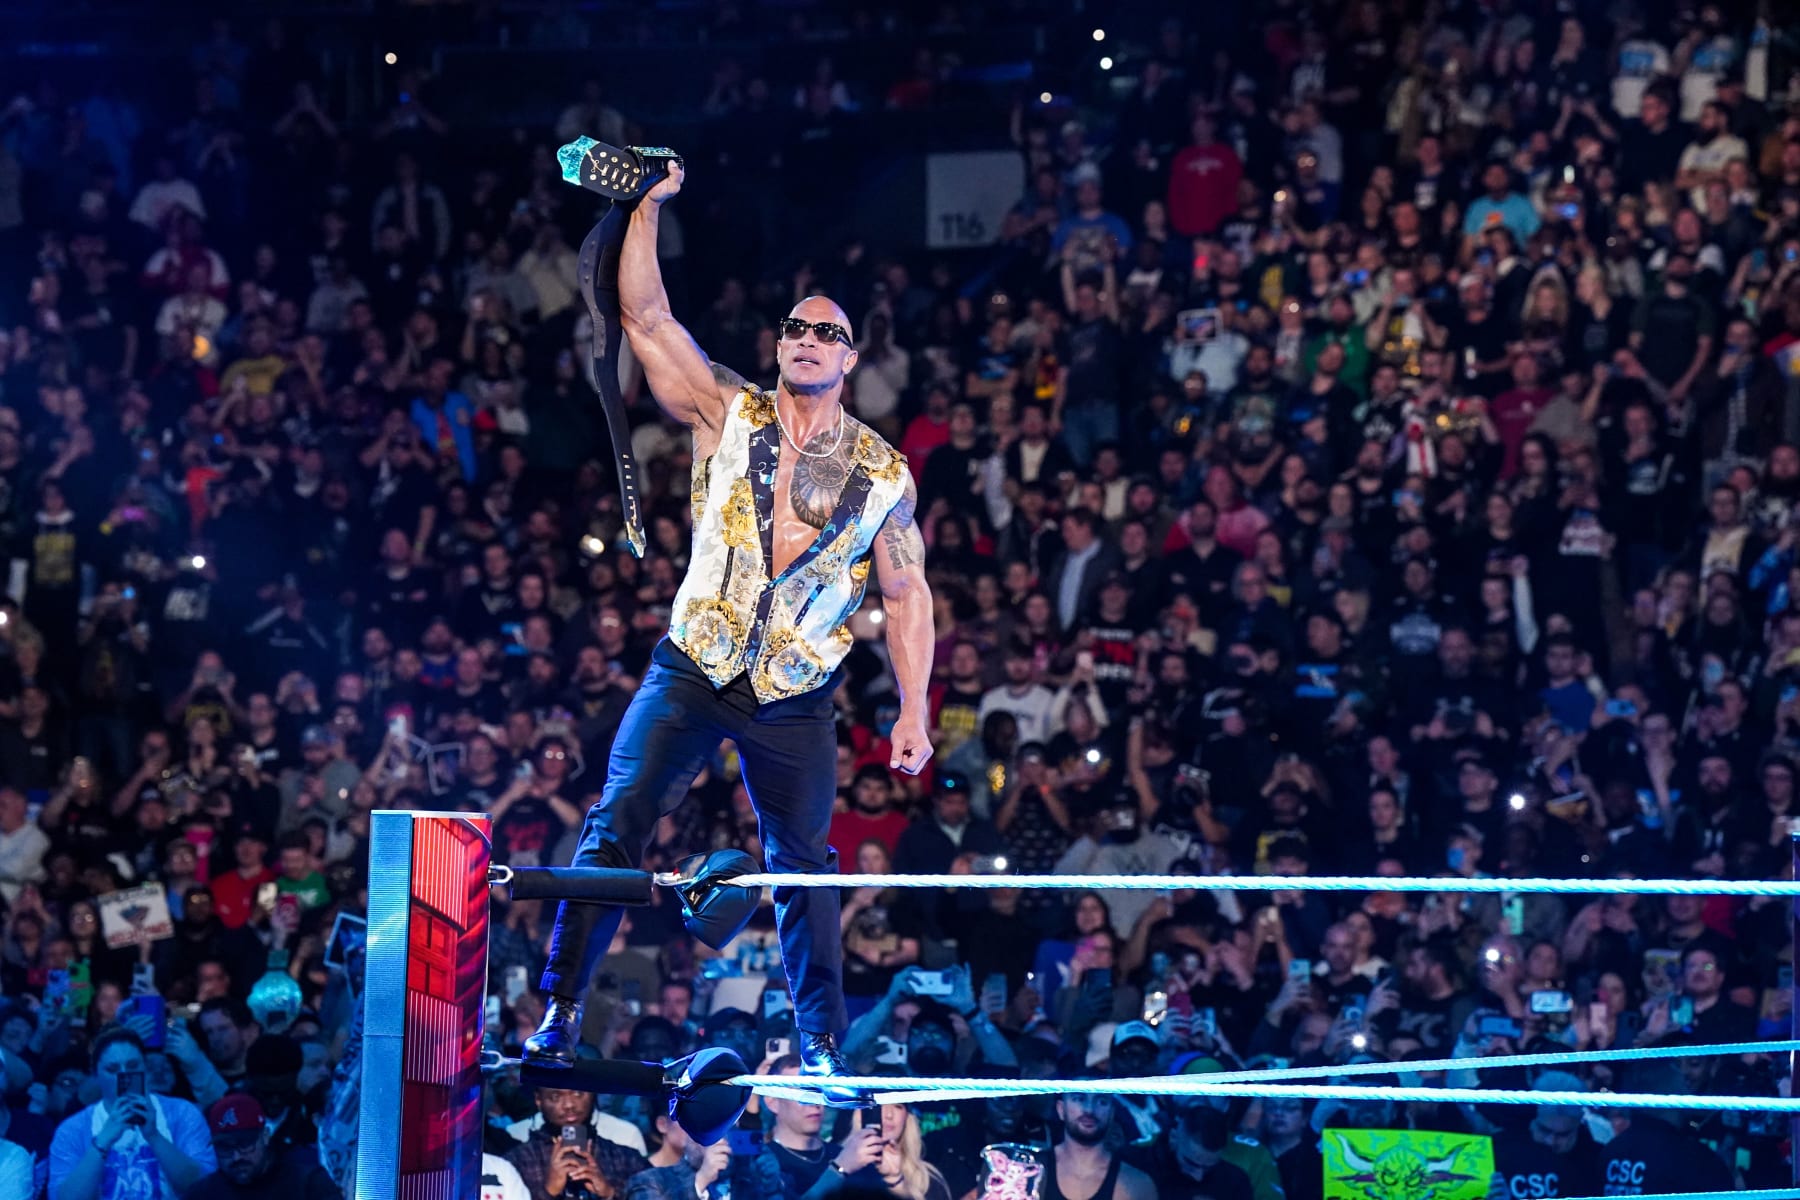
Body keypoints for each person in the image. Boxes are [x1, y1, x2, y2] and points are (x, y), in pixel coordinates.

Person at [526, 158, 936, 1108]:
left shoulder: (883, 476)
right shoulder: (728, 410)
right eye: (795, 326)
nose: (805, 340)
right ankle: (559, 1004)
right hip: (696, 667)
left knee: (806, 868)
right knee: (616, 823)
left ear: (849, 359)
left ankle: (822, 1044)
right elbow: (647, 317)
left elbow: (907, 596)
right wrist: (646, 206)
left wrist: (915, 705)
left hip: (796, 695)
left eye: (825, 333)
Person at [48, 1028, 218, 1200]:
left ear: (145, 1067)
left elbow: (203, 1188)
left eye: (133, 1066)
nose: (125, 1075)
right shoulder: (72, 1129)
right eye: (112, 1069)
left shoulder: (183, 1113)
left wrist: (154, 1136)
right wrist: (102, 1142)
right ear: (96, 1075)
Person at [184, 1094, 340, 1200]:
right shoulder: (201, 1195)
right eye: (225, 1148)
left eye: (245, 1144)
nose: (236, 1157)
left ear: (265, 1136)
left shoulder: (308, 1184)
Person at [1041, 1090, 1156, 1200]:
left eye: (1101, 1101)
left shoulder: (1137, 1184)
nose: (1089, 1110)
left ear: (1112, 1112)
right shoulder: (1031, 1172)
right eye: (1079, 1099)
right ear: (1061, 1109)